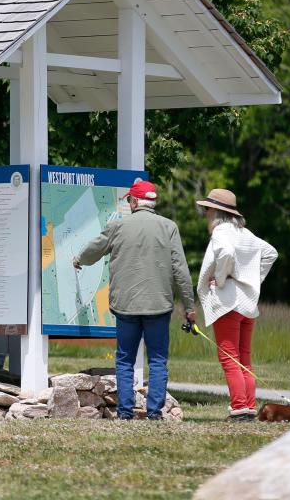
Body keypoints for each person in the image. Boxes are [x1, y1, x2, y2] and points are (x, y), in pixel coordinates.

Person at [72, 180, 195, 420]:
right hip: (159, 305)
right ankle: (154, 413)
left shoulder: (118, 226)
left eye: (130, 200)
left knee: (125, 359)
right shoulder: (169, 227)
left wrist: (79, 260)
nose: (129, 203)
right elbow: (181, 270)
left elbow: (94, 250)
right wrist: (189, 306)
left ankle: (126, 412)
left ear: (135, 201)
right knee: (158, 359)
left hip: (125, 306)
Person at [196, 188, 278, 421]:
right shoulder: (246, 233)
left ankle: (240, 407)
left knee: (229, 357)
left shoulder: (222, 232)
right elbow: (271, 253)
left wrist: (222, 279)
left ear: (217, 212)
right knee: (244, 358)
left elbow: (226, 252)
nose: (206, 213)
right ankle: (249, 406)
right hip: (248, 303)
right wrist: (253, 279)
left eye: (208, 208)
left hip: (228, 303)